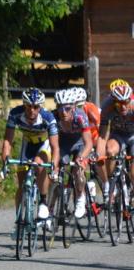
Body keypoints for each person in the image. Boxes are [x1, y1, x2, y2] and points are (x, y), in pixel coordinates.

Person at [1, 87, 59, 223]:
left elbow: (55, 147)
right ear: (24, 104)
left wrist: (54, 167)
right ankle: (19, 220)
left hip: (43, 145)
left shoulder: (48, 118)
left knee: (39, 163)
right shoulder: (15, 114)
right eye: (28, 106)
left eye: (35, 107)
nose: (32, 110)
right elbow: (7, 141)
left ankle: (43, 201)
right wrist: (5, 162)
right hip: (27, 144)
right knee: (21, 184)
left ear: (40, 107)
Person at [53, 88, 93, 218]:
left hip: (80, 144)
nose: (63, 112)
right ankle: (49, 208)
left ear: (74, 107)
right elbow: (51, 143)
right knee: (54, 174)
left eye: (68, 108)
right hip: (63, 144)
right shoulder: (53, 117)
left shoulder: (80, 116)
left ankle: (80, 199)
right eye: (60, 108)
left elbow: (89, 143)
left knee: (78, 170)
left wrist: (81, 158)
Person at [96, 84, 134, 197]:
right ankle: (111, 182)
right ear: (113, 101)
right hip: (118, 134)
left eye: (125, 102)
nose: (123, 107)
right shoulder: (107, 107)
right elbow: (102, 135)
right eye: (119, 103)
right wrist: (98, 154)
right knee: (110, 151)